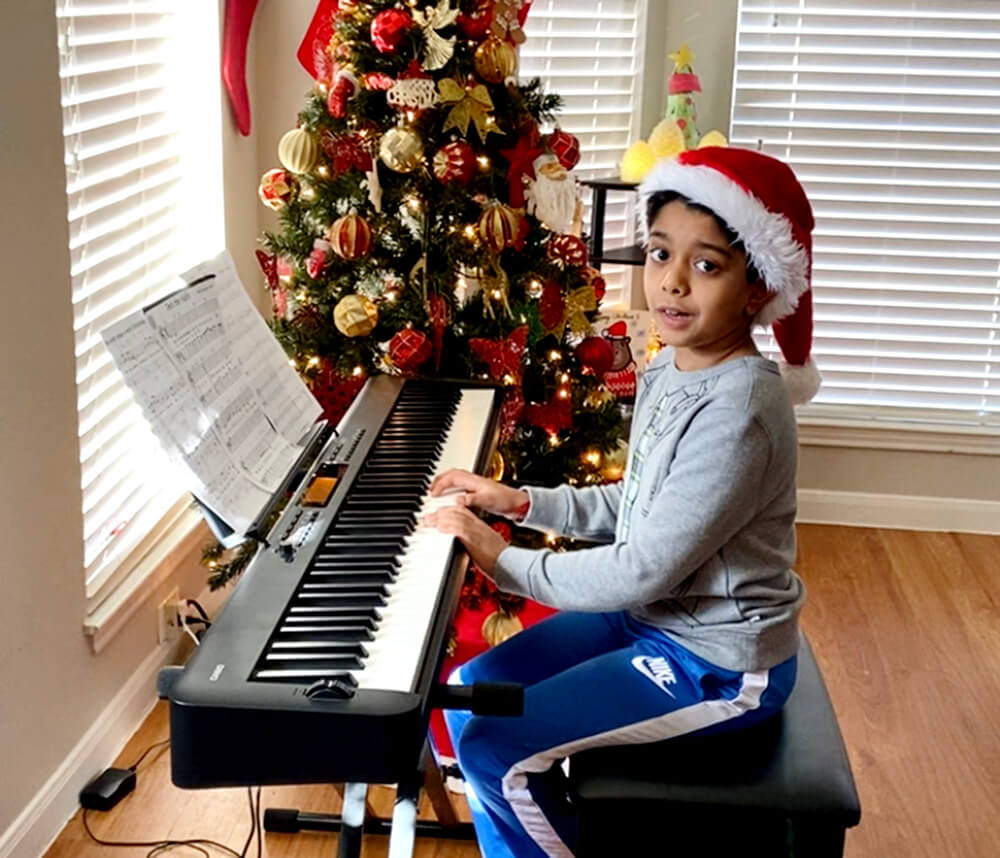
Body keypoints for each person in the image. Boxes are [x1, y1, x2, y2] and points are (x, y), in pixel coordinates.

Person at [424, 146, 822, 858]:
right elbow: (634, 504)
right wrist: (519, 502)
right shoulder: (673, 364)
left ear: (757, 287)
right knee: (472, 688)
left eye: (706, 265)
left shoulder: (742, 412)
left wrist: (502, 558)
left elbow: (642, 566)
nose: (671, 283)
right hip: (653, 622)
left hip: (720, 662)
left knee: (494, 747)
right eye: (660, 253)